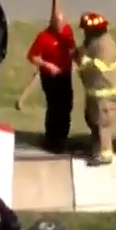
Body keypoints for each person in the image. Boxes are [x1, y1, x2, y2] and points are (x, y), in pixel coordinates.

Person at [74, 12, 116, 167]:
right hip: (94, 92)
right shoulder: (92, 42)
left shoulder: (105, 44)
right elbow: (83, 53)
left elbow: (101, 65)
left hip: (105, 94)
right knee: (93, 122)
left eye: (86, 30)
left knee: (103, 124)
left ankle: (105, 155)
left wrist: (83, 60)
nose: (85, 33)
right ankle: (96, 149)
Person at [25, 12, 76, 153]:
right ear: (52, 23)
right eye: (59, 25)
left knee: (67, 105)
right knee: (55, 108)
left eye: (63, 24)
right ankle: (52, 139)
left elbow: (71, 47)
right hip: (50, 77)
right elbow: (32, 56)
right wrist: (47, 65)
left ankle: (63, 137)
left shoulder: (67, 30)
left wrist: (75, 58)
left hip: (65, 75)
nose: (62, 28)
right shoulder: (43, 37)